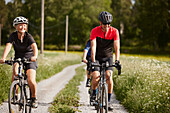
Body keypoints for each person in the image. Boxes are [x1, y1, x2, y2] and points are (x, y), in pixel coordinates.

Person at [0, 16, 38, 108]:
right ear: (15, 27)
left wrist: (35, 56)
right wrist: (3, 58)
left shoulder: (28, 36)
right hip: (18, 58)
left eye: (24, 25)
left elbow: (34, 47)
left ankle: (33, 98)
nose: (23, 27)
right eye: (20, 25)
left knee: (31, 79)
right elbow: (8, 46)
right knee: (15, 74)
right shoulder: (13, 36)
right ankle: (15, 95)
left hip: (30, 59)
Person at [90, 11, 121, 111]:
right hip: (97, 57)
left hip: (108, 57)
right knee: (96, 76)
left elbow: (117, 48)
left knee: (109, 76)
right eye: (104, 24)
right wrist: (93, 60)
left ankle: (108, 101)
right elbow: (93, 47)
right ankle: (93, 94)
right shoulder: (94, 31)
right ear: (100, 23)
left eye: (108, 24)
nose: (107, 26)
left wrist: (117, 60)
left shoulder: (114, 31)